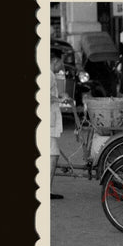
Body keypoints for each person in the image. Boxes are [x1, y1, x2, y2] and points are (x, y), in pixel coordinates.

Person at [50, 55, 69, 200]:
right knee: (53, 155)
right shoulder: (49, 75)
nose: (61, 68)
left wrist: (61, 95)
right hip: (48, 120)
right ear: (54, 62)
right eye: (60, 65)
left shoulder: (49, 75)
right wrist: (60, 99)